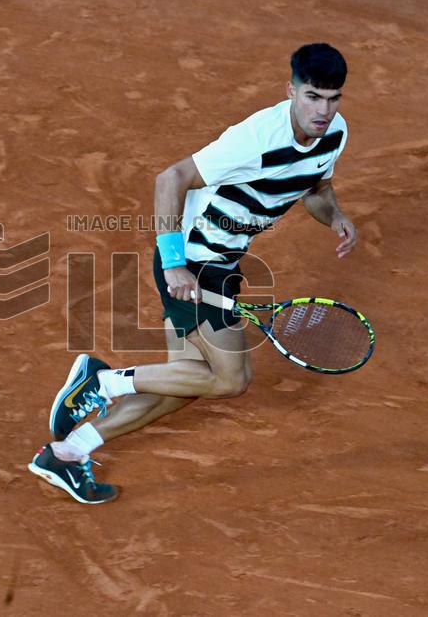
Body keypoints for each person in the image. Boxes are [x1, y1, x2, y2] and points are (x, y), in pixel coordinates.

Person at [28, 43, 358, 504]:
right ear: (291, 91)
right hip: (194, 262)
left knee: (186, 380)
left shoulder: (334, 134)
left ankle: (66, 453)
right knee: (231, 379)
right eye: (313, 97)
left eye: (332, 98)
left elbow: (316, 188)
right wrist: (175, 263)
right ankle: (101, 383)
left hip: (224, 261)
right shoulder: (256, 138)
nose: (322, 110)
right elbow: (171, 178)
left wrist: (335, 215)